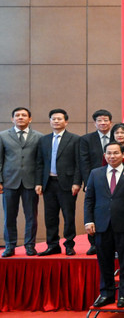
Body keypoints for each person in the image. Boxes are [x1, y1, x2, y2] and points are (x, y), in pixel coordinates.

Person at [84, 142, 124, 308]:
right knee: (104, 261)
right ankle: (106, 293)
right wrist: (88, 220)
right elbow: (89, 199)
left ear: (123, 155)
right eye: (109, 153)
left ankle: (123, 295)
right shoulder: (95, 173)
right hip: (101, 224)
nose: (112, 156)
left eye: (115, 153)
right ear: (104, 155)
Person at [34, 108, 81, 256]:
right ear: (50, 121)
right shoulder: (44, 140)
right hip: (48, 183)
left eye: (59, 119)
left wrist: (77, 182)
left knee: (68, 216)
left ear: (66, 121)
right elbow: (39, 163)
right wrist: (39, 182)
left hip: (67, 184)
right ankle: (52, 245)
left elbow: (78, 163)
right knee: (50, 216)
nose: (56, 121)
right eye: (53, 119)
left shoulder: (75, 139)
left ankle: (69, 244)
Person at [0, 107, 43, 257]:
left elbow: (40, 163)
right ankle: (10, 246)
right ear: (12, 119)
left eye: (24, 115)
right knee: (9, 217)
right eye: (17, 115)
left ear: (30, 119)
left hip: (31, 183)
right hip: (9, 182)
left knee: (31, 216)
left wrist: (40, 182)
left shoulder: (39, 137)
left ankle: (30, 246)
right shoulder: (3, 136)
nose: (20, 117)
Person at [79, 109, 113, 256]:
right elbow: (84, 163)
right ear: (95, 123)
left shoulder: (117, 137)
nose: (103, 123)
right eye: (100, 120)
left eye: (106, 120)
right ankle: (93, 243)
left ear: (110, 122)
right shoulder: (86, 139)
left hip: (114, 179)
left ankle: (113, 244)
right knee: (93, 209)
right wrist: (87, 183)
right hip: (95, 180)